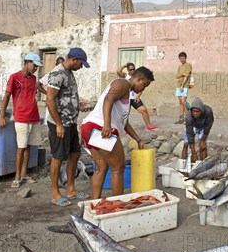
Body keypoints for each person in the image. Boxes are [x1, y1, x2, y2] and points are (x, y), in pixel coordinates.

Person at [81, 66, 155, 199]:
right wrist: (107, 124)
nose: (143, 89)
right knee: (118, 167)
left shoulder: (126, 92)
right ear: (138, 79)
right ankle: (119, 204)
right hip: (100, 127)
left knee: (101, 167)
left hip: (89, 127)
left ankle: (95, 202)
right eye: (144, 85)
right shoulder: (123, 83)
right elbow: (108, 99)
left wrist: (138, 139)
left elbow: (124, 123)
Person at [46, 47, 90, 207]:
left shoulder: (69, 73)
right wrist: (58, 124)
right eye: (80, 64)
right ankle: (55, 193)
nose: (81, 67)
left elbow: (67, 96)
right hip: (60, 124)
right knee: (58, 157)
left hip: (70, 122)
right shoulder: (57, 73)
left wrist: (78, 105)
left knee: (75, 154)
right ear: (73, 60)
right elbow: (50, 100)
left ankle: (70, 189)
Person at [0, 53, 43, 188]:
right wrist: (2, 116)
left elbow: (35, 93)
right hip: (21, 117)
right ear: (27, 63)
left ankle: (24, 174)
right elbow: (6, 96)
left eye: (37, 66)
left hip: (34, 117)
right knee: (21, 148)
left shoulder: (34, 78)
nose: (35, 69)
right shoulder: (15, 77)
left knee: (29, 146)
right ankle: (17, 177)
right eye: (34, 65)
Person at [116, 62, 158, 130]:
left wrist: (138, 96)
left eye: (133, 69)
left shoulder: (138, 76)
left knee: (144, 110)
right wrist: (124, 65)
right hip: (127, 98)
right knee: (126, 114)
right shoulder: (125, 75)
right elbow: (118, 71)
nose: (132, 71)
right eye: (130, 69)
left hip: (135, 98)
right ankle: (126, 128)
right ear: (128, 70)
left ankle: (149, 125)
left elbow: (141, 88)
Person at [182, 97, 214, 161]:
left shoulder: (208, 111)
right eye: (193, 111)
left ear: (201, 111)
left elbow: (208, 126)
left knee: (203, 146)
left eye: (197, 111)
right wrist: (194, 153)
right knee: (186, 145)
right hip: (193, 126)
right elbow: (190, 134)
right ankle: (183, 163)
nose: (195, 113)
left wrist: (203, 140)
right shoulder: (189, 117)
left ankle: (202, 165)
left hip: (203, 126)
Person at [37, 56, 65, 125]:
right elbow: (37, 84)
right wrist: (47, 93)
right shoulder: (51, 75)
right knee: (50, 125)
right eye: (59, 64)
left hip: (62, 106)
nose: (61, 67)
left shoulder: (66, 76)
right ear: (56, 64)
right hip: (52, 104)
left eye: (62, 64)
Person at [175, 51, 192, 124]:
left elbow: (187, 75)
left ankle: (189, 118)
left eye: (183, 58)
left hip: (184, 86)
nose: (182, 60)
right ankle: (181, 119)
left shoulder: (188, 65)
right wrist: (182, 74)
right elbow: (176, 76)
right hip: (178, 85)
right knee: (180, 102)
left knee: (183, 102)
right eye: (180, 58)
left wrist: (182, 85)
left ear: (185, 58)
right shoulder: (179, 67)